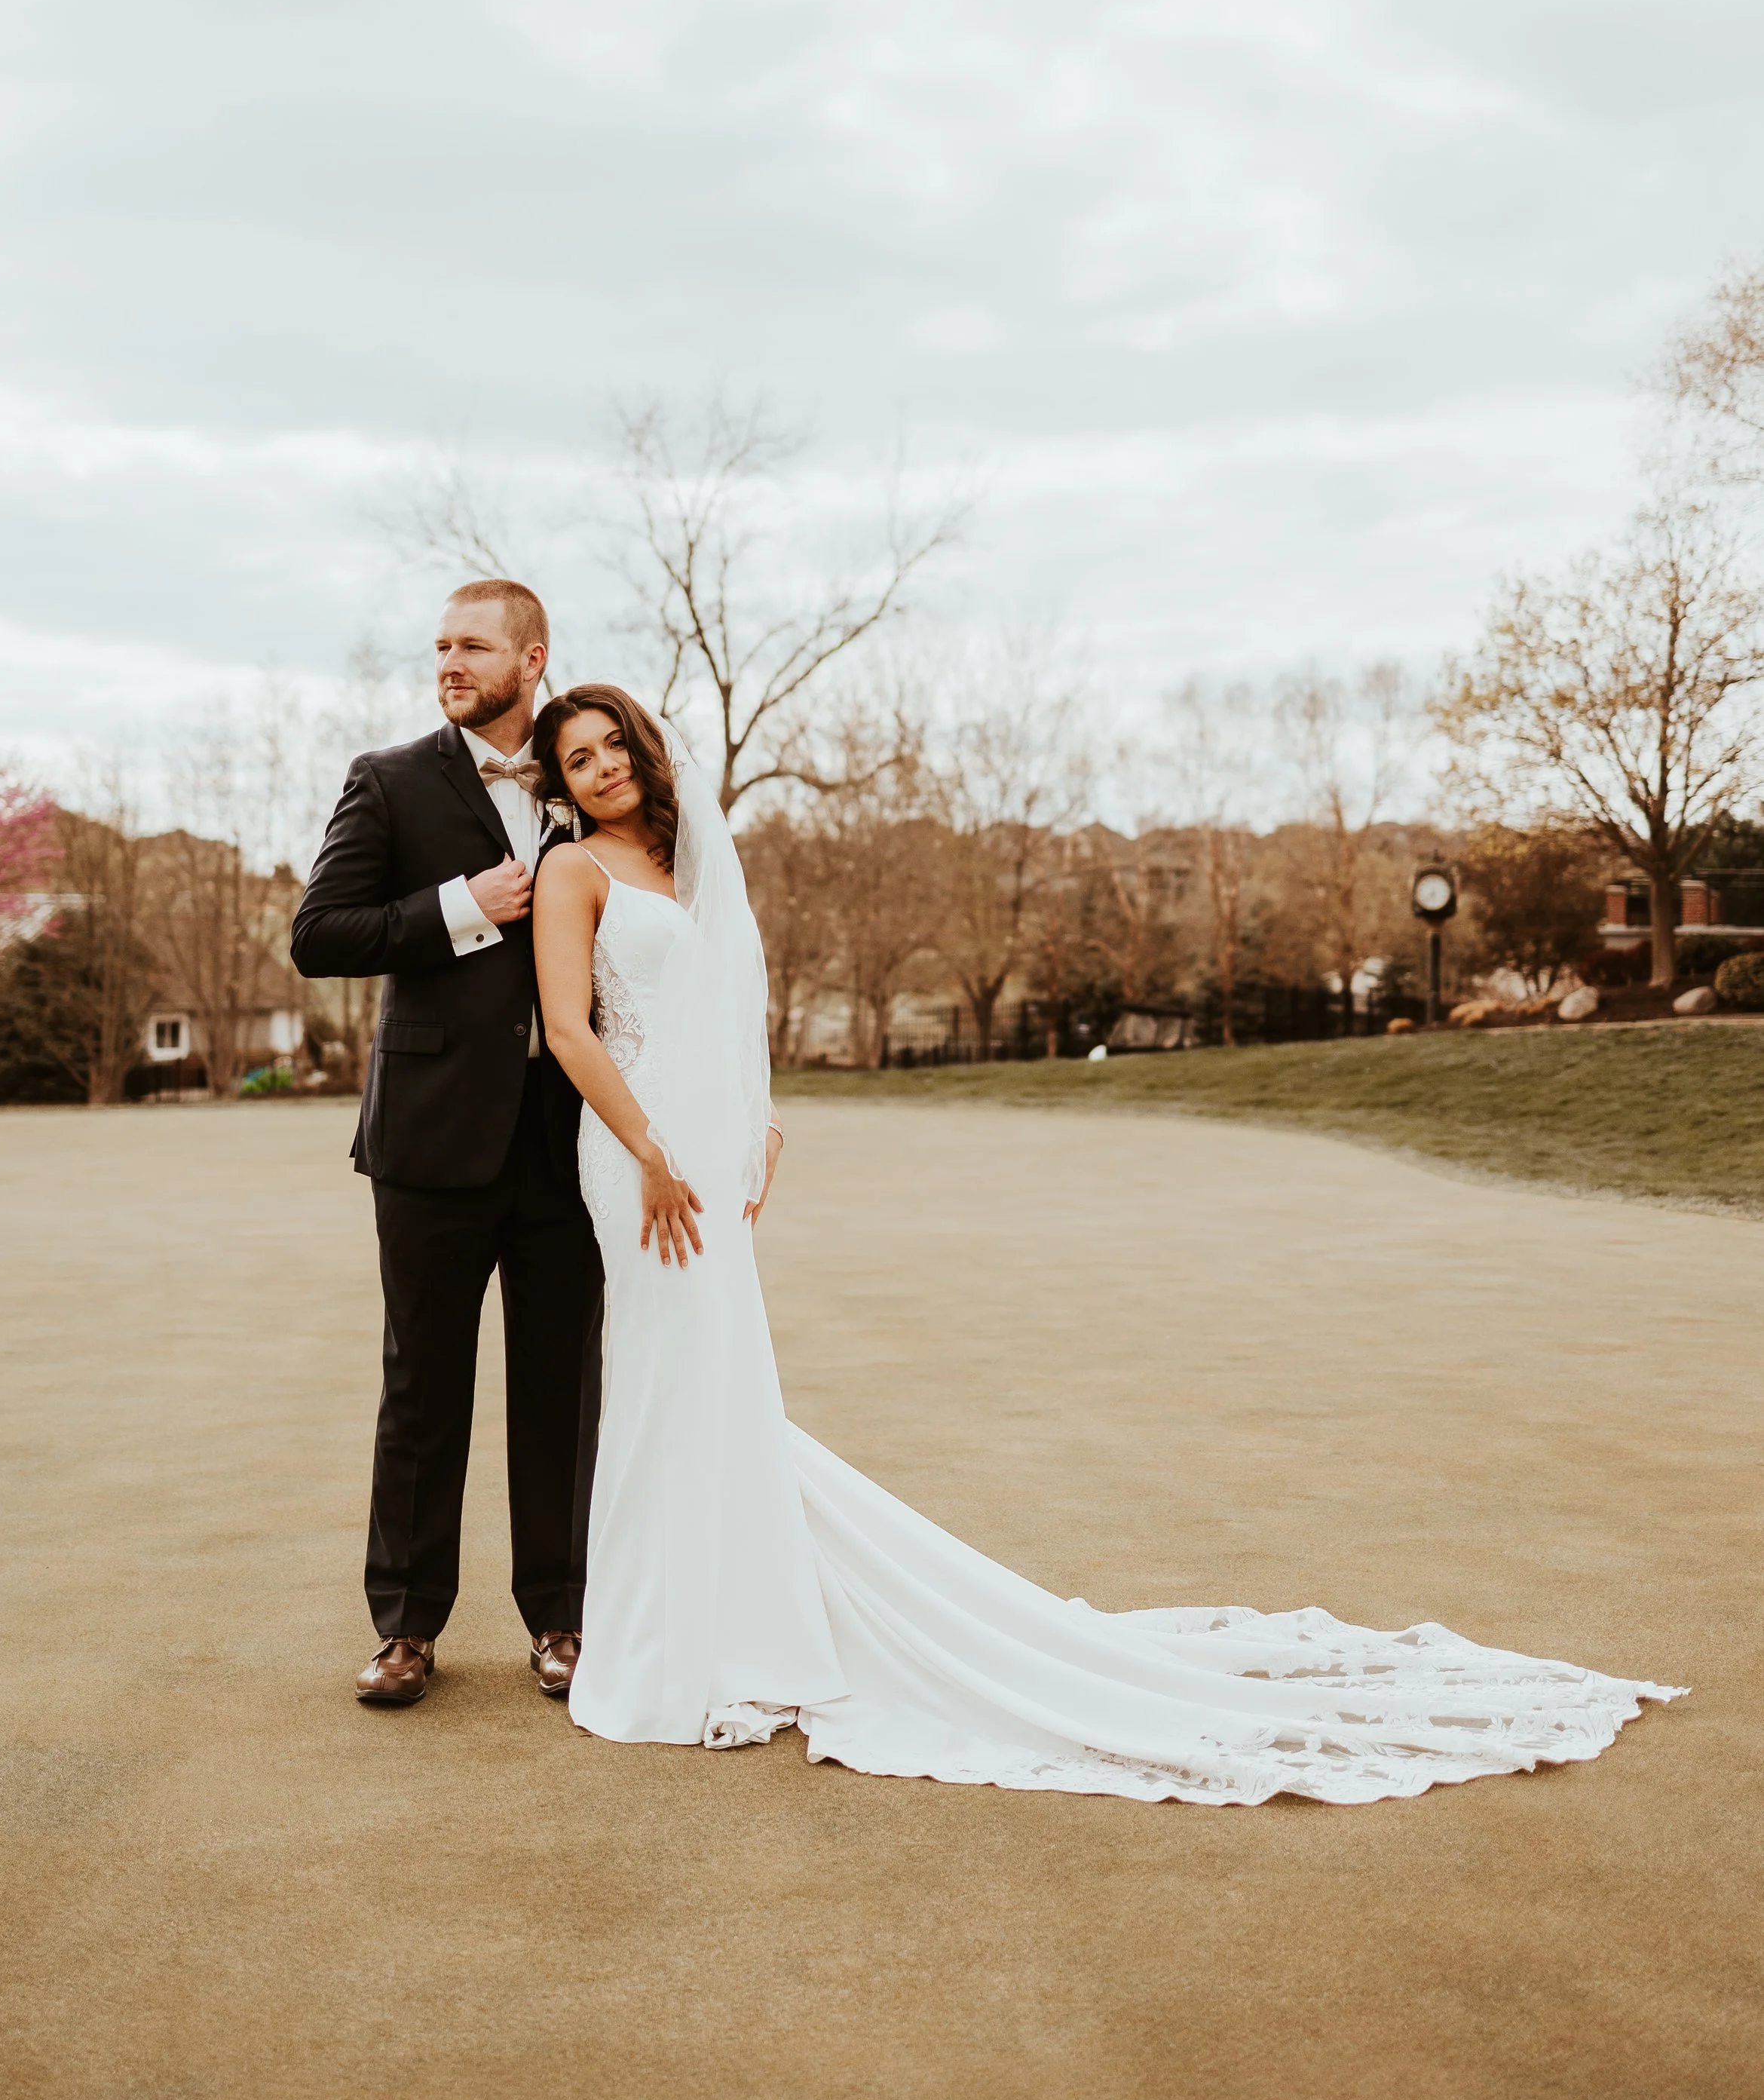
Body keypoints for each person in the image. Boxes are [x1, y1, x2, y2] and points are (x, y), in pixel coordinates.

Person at [530, 682, 1681, 1800]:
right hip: (636, 1161)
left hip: (712, 1154)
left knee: (720, 1383)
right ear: (565, 783)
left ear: (641, 742)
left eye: (612, 744)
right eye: (578, 759)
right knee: (660, 1378)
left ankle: (743, 1621)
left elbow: (735, 1011)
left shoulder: (699, 863)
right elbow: (571, 1030)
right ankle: (669, 1642)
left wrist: (760, 1120)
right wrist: (652, 1152)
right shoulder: (573, 870)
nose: (604, 767)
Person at [291, 581, 603, 1709]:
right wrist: (461, 904)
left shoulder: (589, 766)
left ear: (532, 656)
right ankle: (407, 1629)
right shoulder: (388, 778)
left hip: (570, 1140)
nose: (447, 661)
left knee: (562, 1384)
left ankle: (563, 1619)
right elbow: (318, 935)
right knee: (422, 1387)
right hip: (429, 1140)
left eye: (471, 644)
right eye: (438, 645)